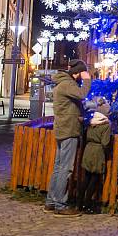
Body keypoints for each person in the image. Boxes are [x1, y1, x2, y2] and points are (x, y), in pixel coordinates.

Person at [44, 59, 91, 217]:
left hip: (62, 128)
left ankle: (51, 201)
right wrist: (87, 79)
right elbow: (82, 94)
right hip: (69, 130)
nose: (80, 77)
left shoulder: (62, 83)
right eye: (80, 73)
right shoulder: (67, 84)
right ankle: (60, 204)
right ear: (76, 73)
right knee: (66, 168)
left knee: (58, 167)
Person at [77, 100, 111, 213]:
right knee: (94, 179)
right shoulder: (106, 125)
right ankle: (88, 204)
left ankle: (79, 203)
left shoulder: (92, 122)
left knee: (86, 177)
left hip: (88, 149)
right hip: (97, 152)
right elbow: (105, 142)